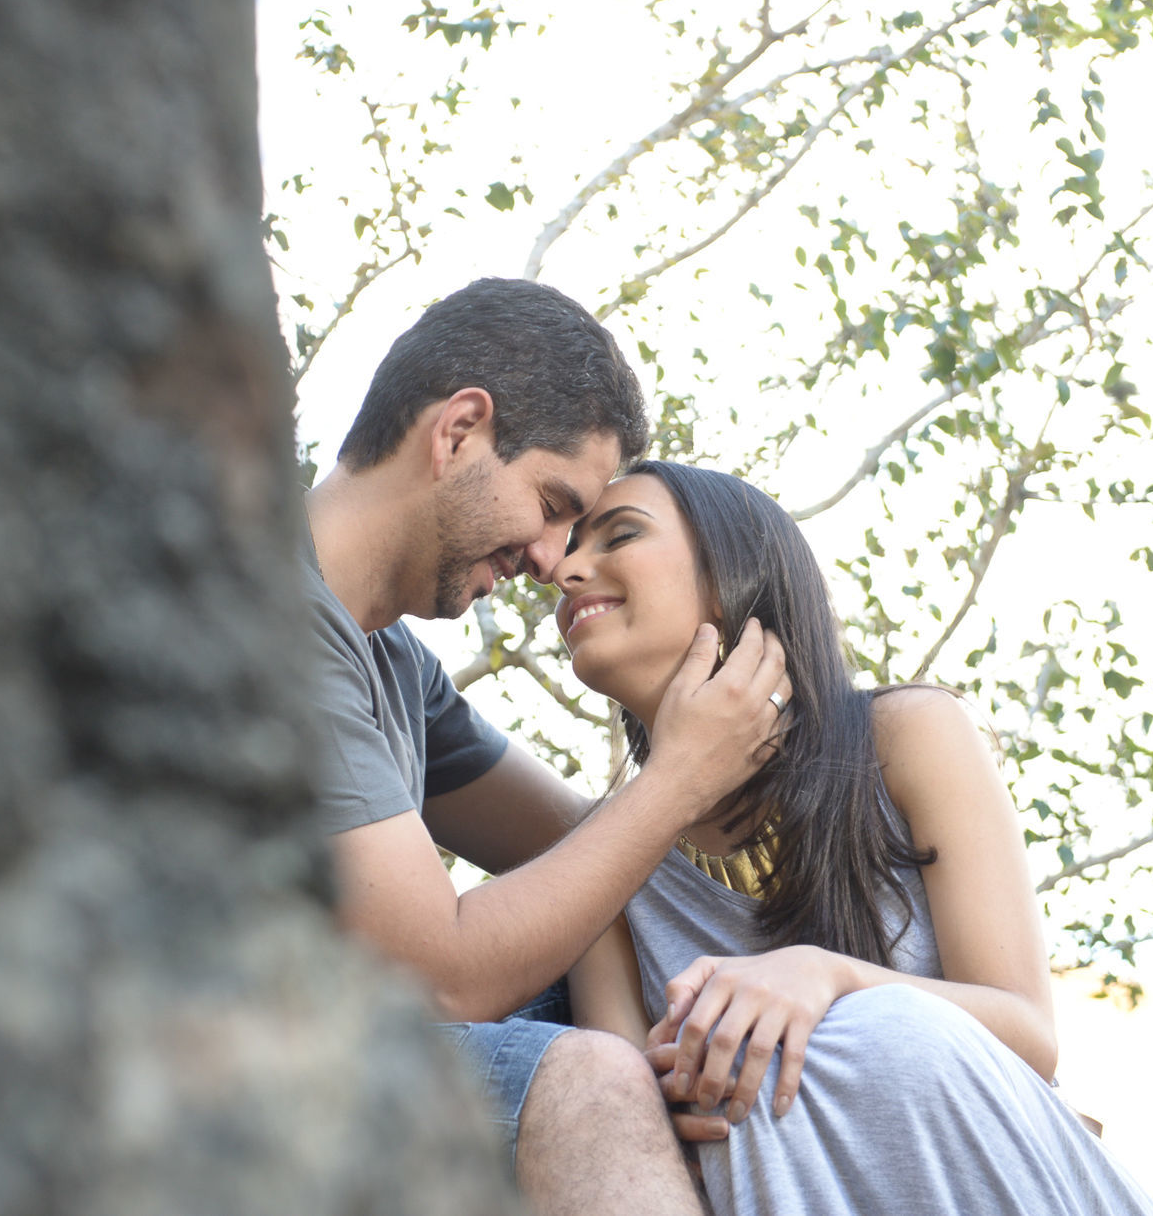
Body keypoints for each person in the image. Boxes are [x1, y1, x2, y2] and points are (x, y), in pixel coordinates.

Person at [554, 460, 1153, 1214]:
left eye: (619, 536)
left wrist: (823, 977)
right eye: (570, 549)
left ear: (730, 571)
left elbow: (1029, 1034)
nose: (565, 570)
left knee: (873, 1028)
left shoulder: (906, 734)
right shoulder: (598, 857)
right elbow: (632, 1121)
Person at [303, 278, 792, 1215]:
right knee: (585, 1080)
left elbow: (589, 849)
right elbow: (440, 976)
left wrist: (878, 1008)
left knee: (668, 1027)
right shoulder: (268, 615)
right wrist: (679, 774)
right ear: (458, 432)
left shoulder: (393, 667)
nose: (550, 561)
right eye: (553, 503)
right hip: (177, 1065)